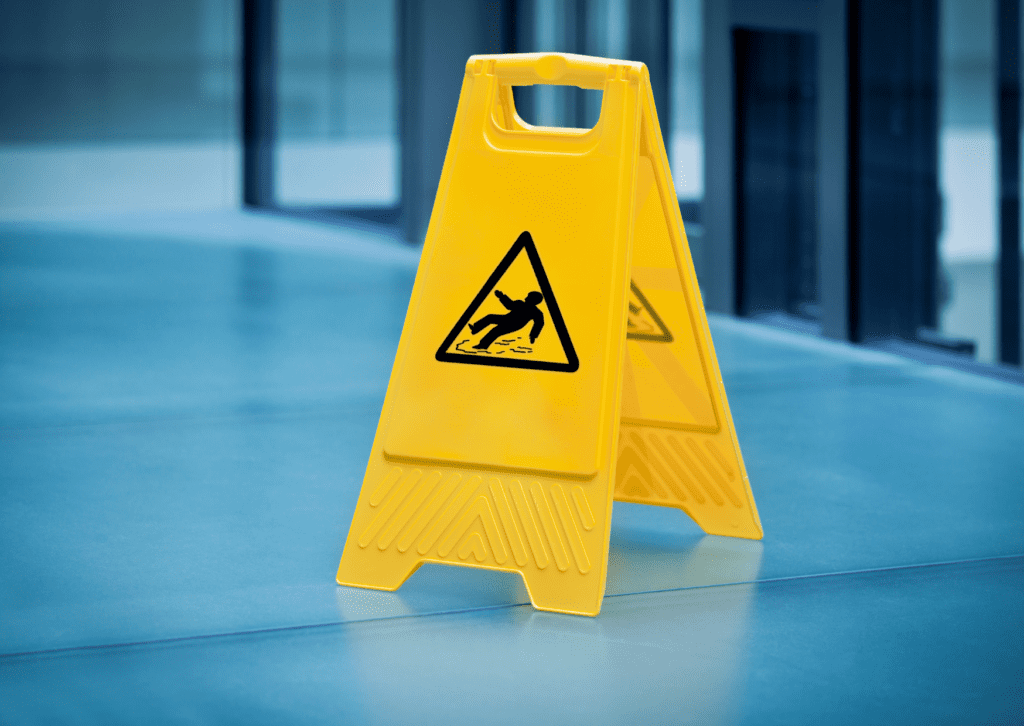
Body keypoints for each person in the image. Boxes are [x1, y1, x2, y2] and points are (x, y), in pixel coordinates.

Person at [469, 290, 544, 350]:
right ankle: (475, 328)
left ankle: (483, 345)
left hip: (515, 325)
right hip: (506, 318)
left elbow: (539, 324)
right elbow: (509, 305)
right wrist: (501, 296)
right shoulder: (519, 303)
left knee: (495, 331)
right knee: (490, 317)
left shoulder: (536, 312)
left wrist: (533, 336)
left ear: (534, 300)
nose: (525, 298)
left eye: (528, 297)